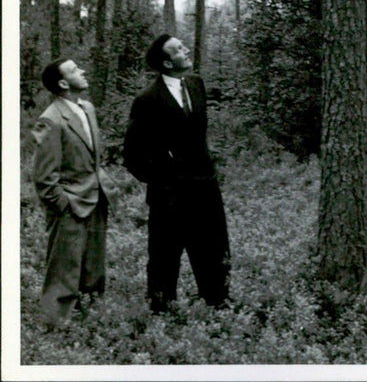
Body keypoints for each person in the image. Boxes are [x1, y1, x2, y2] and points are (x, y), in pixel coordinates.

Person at [123, 34, 230, 313]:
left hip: (205, 188)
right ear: (167, 62)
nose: (186, 51)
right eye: (179, 49)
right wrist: (163, 180)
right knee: (164, 254)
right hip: (168, 195)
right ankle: (161, 308)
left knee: (213, 248)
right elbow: (132, 155)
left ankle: (217, 303)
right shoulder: (147, 99)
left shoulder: (196, 85)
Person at [31, 57, 116, 328]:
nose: (83, 70)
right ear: (64, 83)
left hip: (96, 196)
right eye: (74, 70)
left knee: (94, 265)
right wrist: (63, 205)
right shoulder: (50, 119)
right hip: (70, 204)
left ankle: (91, 319)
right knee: (63, 270)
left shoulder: (87, 108)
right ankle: (55, 324)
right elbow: (45, 178)